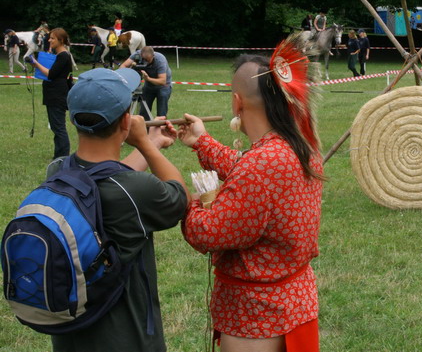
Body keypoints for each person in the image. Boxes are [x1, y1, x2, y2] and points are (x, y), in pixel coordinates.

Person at [178, 49, 323, 352]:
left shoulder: (262, 165)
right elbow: (248, 169)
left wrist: (182, 195)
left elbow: (209, 232)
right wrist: (201, 141)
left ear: (237, 101)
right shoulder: (298, 148)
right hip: (291, 308)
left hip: (258, 319)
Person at [49, 67, 189, 352]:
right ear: (127, 121)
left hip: (71, 332)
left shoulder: (58, 171)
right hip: (126, 335)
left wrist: (153, 141)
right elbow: (180, 197)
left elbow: (107, 175)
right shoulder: (136, 189)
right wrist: (147, 147)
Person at [29, 28, 73, 159]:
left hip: (57, 95)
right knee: (56, 127)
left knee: (59, 127)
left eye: (53, 38)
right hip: (53, 94)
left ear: (62, 40)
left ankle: (62, 157)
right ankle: (59, 155)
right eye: (50, 37)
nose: (49, 40)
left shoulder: (63, 56)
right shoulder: (59, 55)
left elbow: (51, 74)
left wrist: (36, 64)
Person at [120, 46, 172, 120]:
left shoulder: (160, 60)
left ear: (153, 56)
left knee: (161, 114)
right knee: (144, 112)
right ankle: (144, 129)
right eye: (144, 59)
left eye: (148, 60)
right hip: (149, 86)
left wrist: (148, 79)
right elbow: (123, 66)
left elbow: (162, 81)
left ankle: (160, 129)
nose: (146, 62)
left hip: (163, 86)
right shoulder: (136, 55)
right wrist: (126, 76)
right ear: (141, 55)